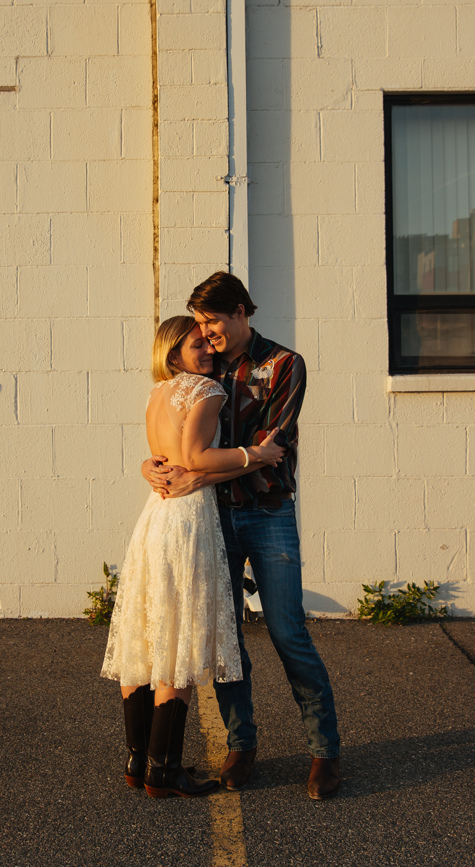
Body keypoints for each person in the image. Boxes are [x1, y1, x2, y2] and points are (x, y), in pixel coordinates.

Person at [142, 271, 342, 800]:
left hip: (268, 512)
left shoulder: (284, 365)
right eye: (200, 324)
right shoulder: (201, 366)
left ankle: (325, 752)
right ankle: (241, 745)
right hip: (213, 518)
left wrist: (192, 474)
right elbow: (182, 437)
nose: (205, 333)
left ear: (240, 312)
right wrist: (152, 465)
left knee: (287, 632)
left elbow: (266, 447)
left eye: (212, 321)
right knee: (227, 641)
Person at [101, 315, 285, 798]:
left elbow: (167, 460)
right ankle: (164, 771)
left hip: (154, 518)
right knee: (175, 638)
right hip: (186, 522)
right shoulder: (207, 391)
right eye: (195, 343)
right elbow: (197, 459)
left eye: (207, 341)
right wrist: (254, 455)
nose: (206, 349)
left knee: (146, 634)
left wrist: (151, 466)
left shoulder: (156, 393)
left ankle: (138, 761)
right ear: (172, 352)